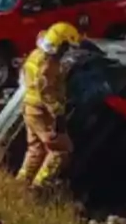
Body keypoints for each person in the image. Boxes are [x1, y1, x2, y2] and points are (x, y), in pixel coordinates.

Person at [16, 22, 82, 190]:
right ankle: (39, 187)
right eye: (67, 48)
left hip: (29, 108)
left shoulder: (36, 54)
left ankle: (19, 186)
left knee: (36, 150)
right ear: (61, 45)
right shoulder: (49, 63)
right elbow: (46, 90)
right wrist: (58, 114)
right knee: (61, 149)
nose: (67, 52)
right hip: (40, 111)